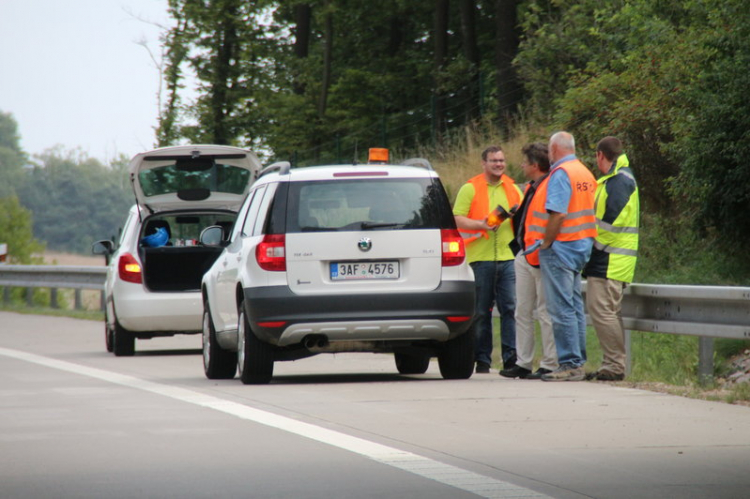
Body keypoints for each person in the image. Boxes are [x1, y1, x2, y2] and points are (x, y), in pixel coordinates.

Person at [524, 131, 597, 382]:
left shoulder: (561, 174)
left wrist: (546, 243)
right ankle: (577, 361)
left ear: (554, 149)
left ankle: (569, 364)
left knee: (561, 308)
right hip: (581, 247)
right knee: (575, 306)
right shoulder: (585, 173)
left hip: (561, 247)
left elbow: (557, 214)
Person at [454, 146, 523, 373]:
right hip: (480, 258)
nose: (499, 164)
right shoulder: (469, 188)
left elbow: (524, 216)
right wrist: (480, 225)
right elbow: (456, 219)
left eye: (501, 160)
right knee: (481, 312)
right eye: (494, 160)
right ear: (483, 163)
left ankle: (511, 359)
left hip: (508, 258)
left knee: (510, 310)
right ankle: (482, 359)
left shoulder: (513, 188)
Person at [500, 143, 558, 380]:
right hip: (525, 253)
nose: (522, 165)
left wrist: (545, 246)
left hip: (542, 255)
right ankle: (523, 362)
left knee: (544, 312)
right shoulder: (531, 188)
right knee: (522, 310)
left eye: (525, 162)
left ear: (535, 165)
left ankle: (550, 363)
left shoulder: (550, 186)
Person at [584, 137, 640, 381]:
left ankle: (615, 366)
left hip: (609, 259)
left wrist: (589, 249)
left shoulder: (618, 181)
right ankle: (612, 364)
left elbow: (609, 223)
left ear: (600, 155)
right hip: (612, 258)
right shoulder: (616, 179)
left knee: (603, 313)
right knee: (608, 313)